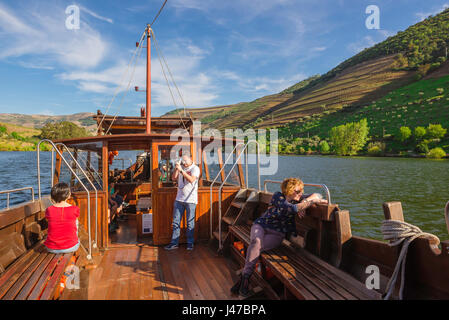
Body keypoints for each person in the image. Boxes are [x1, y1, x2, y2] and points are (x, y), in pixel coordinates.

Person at [230, 177, 327, 297]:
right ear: (288, 191)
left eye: (301, 191)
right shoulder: (278, 196)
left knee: (255, 247)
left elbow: (317, 194)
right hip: (260, 225)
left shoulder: (297, 198)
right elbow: (292, 209)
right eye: (297, 191)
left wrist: (307, 200)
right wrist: (306, 204)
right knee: (256, 242)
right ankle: (245, 279)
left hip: (277, 234)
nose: (300, 193)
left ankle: (243, 280)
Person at [164, 153, 200, 251]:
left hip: (191, 200)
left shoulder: (195, 169)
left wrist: (182, 171)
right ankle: (174, 243)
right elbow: (173, 178)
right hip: (179, 199)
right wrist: (177, 168)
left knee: (190, 223)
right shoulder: (181, 167)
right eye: (182, 161)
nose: (184, 163)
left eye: (185, 161)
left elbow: (192, 180)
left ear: (190, 158)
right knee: (175, 223)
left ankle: (190, 243)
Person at [44, 182, 80, 254]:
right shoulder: (75, 209)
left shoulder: (49, 210)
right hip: (71, 247)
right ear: (68, 195)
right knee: (76, 223)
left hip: (51, 248)